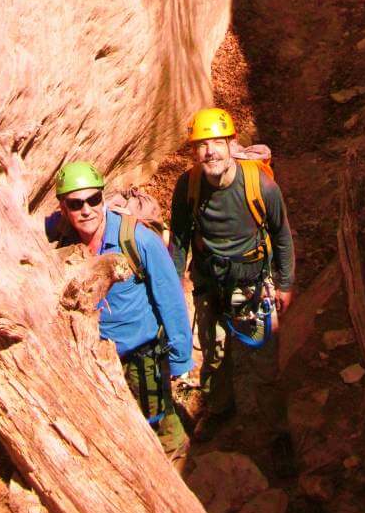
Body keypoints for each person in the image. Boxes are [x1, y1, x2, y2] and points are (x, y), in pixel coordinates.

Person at [46, 160, 192, 462]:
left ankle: (179, 468)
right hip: (94, 358)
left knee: (160, 423)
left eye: (93, 199)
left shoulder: (138, 240)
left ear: (103, 197)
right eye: (76, 204)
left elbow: (171, 299)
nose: (86, 210)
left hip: (142, 356)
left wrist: (180, 359)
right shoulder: (63, 239)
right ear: (63, 208)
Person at [169, 108, 295, 436]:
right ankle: (221, 409)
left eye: (216, 142)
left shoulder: (261, 186)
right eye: (201, 144)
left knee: (263, 364)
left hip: (251, 284)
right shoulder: (188, 186)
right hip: (210, 284)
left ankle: (277, 432)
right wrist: (173, 286)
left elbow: (281, 235)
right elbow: (180, 238)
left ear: (231, 144)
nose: (209, 151)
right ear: (194, 151)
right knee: (214, 355)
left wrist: (285, 283)